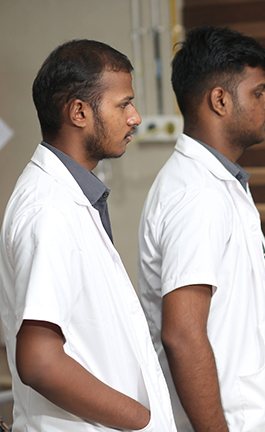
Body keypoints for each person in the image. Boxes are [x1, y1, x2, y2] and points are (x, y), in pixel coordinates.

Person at [138, 26, 265, 432]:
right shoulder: (196, 194)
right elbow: (182, 335)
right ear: (220, 100)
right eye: (258, 93)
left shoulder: (218, 183)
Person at [0, 40, 176, 431]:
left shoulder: (70, 198)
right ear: (79, 112)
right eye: (123, 104)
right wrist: (141, 420)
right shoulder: (48, 209)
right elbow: (39, 362)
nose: (135, 118)